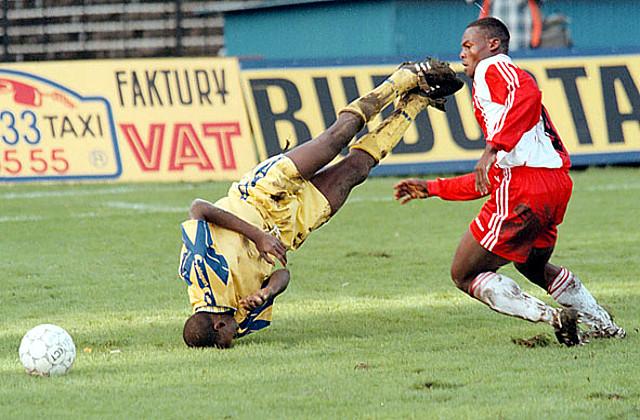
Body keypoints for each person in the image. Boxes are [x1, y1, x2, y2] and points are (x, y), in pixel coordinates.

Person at [178, 58, 462, 348]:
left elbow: (199, 207)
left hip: (261, 195)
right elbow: (283, 274)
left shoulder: (201, 272)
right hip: (288, 228)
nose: (235, 336)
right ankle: (418, 100)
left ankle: (403, 78)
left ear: (218, 324)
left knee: (334, 140)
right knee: (357, 170)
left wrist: (258, 236)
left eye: (228, 338)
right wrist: (268, 293)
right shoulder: (239, 320)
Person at [394, 17, 625, 346]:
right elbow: (488, 181)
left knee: (463, 274)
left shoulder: (494, 68)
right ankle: (603, 324)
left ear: (492, 45)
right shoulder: (509, 118)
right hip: (554, 186)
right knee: (532, 267)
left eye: (468, 45)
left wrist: (494, 145)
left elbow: (526, 90)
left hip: (525, 188)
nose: (462, 53)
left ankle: (553, 317)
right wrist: (432, 188)